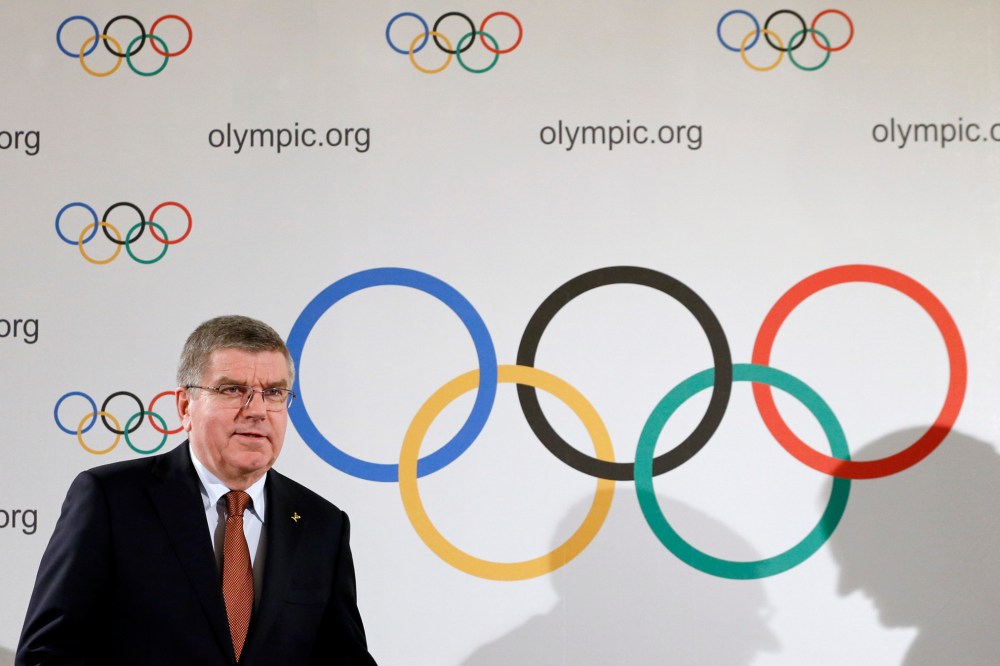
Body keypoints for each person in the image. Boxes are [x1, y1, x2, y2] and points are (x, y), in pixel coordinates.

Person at [17, 315, 378, 665]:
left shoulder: (322, 523)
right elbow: (46, 654)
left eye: (273, 393)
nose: (257, 411)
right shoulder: (111, 499)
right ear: (185, 405)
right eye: (233, 390)